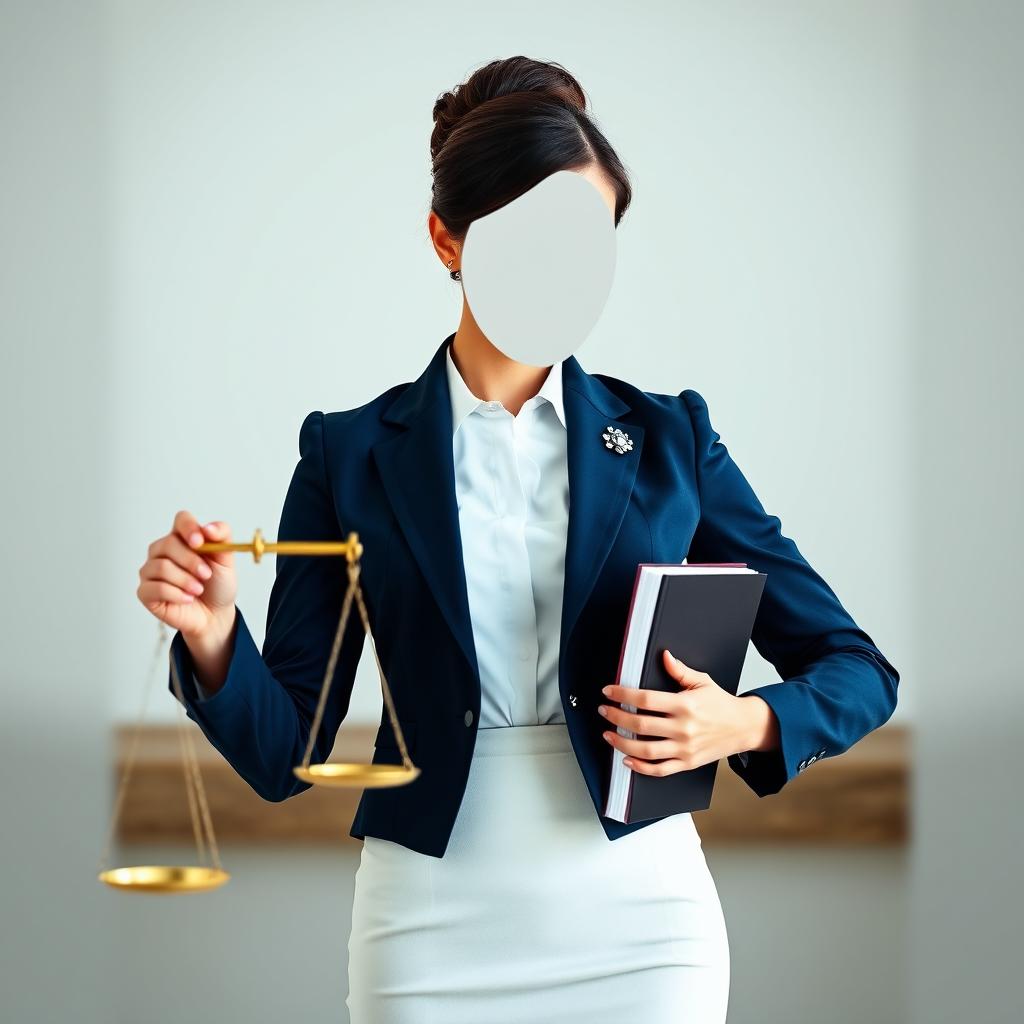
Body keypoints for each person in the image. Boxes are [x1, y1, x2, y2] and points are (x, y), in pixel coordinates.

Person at [138, 56, 899, 1024]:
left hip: (645, 924)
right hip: (428, 919)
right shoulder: (348, 453)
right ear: (447, 240)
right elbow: (288, 754)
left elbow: (856, 668)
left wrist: (743, 721)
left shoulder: (672, 441)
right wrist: (211, 637)